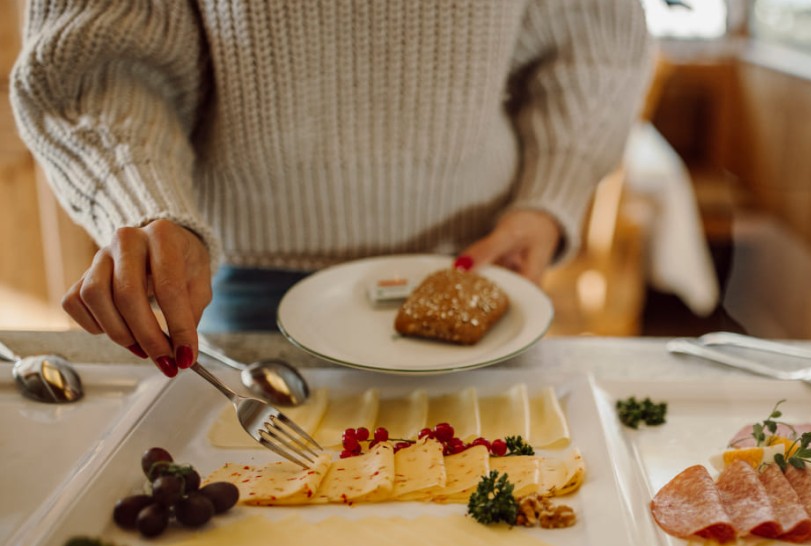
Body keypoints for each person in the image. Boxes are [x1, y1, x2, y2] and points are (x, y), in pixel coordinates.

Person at [11, 1, 653, 377]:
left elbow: (594, 46)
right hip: (230, 280)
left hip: (476, 265)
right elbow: (97, 61)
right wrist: (144, 204)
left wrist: (546, 202)